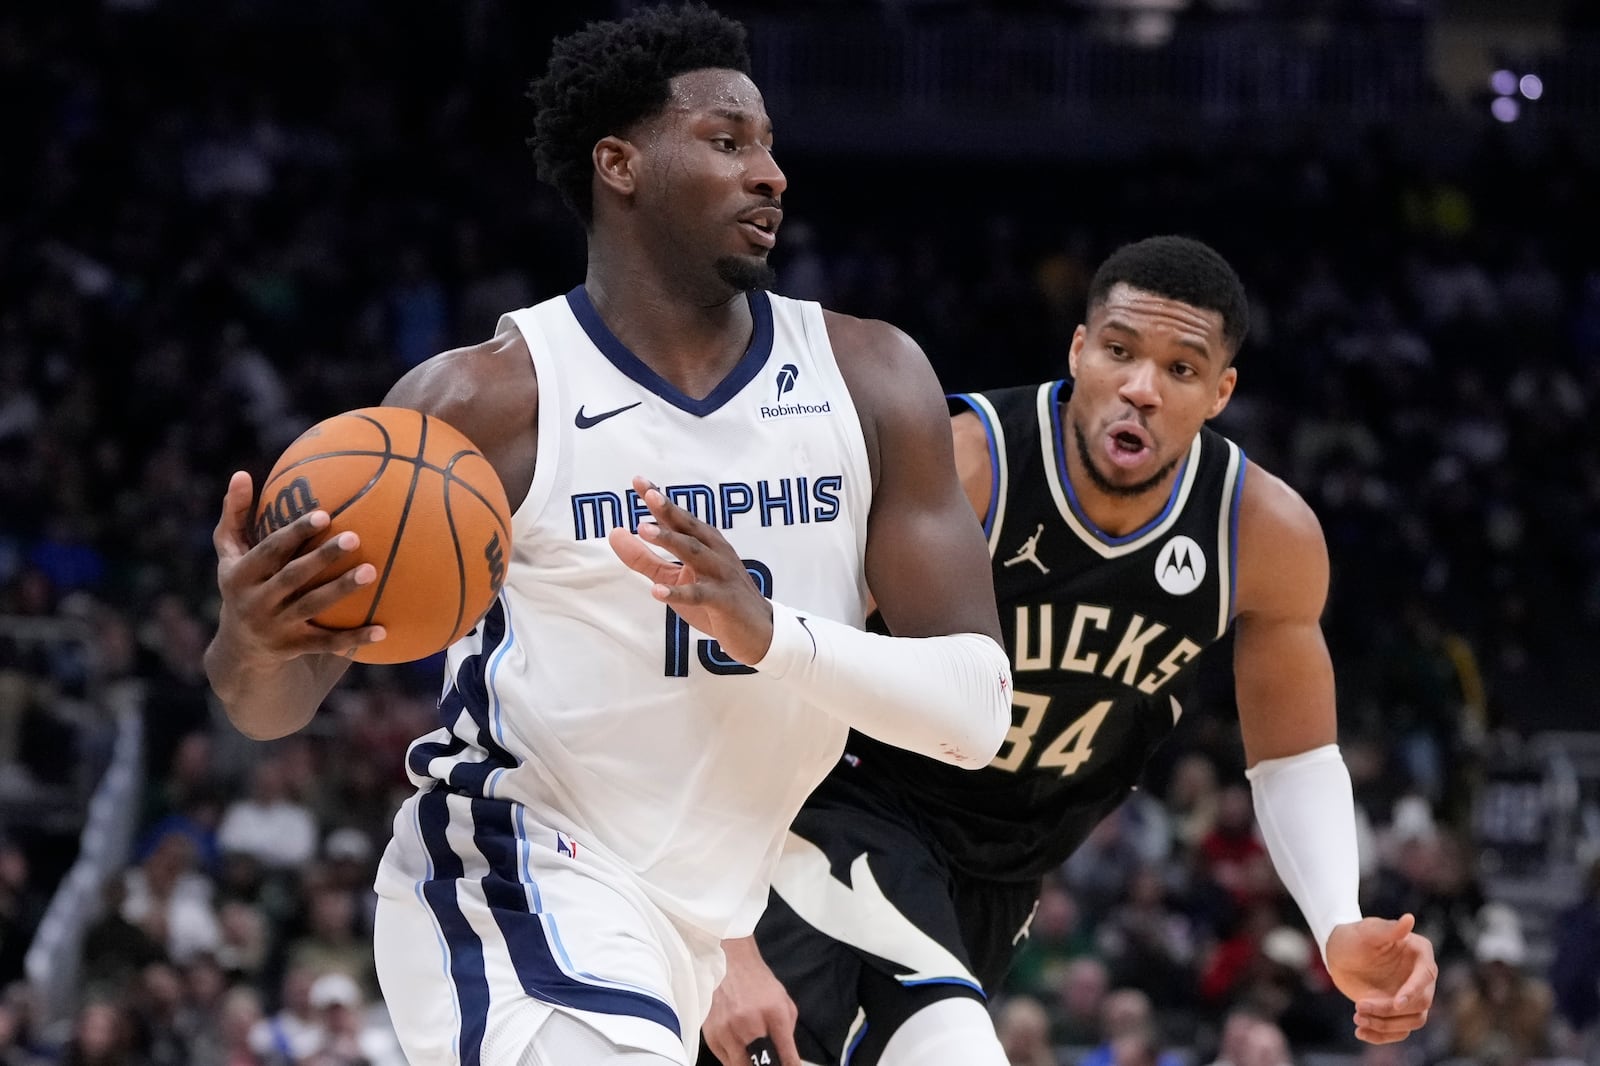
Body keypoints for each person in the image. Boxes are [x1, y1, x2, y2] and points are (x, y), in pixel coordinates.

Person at [202, 5, 1013, 1065]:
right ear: (619, 164)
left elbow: (974, 714)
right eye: (727, 142)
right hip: (516, 867)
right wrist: (251, 638)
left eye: (769, 145)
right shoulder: (484, 402)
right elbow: (276, 703)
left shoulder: (873, 380)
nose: (769, 173)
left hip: (707, 911)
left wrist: (770, 634)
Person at [701, 236, 1439, 1066]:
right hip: (851, 808)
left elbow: (1295, 755)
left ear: (1221, 392)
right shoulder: (971, 464)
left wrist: (1338, 919)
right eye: (1120, 352)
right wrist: (721, 924)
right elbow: (762, 664)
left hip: (1006, 868)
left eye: (1181, 370)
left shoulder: (1263, 534)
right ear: (1079, 350)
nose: (1141, 389)